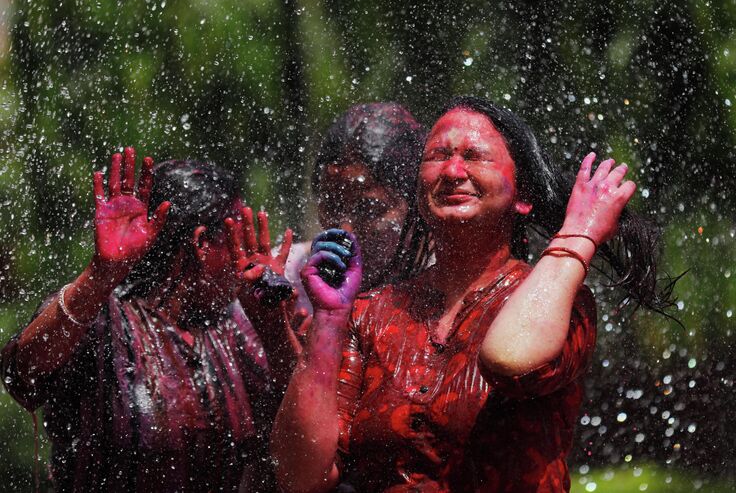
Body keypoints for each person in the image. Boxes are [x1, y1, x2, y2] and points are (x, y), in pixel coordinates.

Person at [271, 96, 672, 492]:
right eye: (437, 155)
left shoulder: (563, 303)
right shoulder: (369, 312)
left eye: (475, 156)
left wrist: (577, 236)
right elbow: (301, 477)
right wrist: (329, 320)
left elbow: (510, 360)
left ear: (523, 196)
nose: (452, 169)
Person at [1, 148, 295, 492]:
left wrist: (277, 328)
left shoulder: (231, 331)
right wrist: (100, 274)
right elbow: (22, 373)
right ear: (201, 244)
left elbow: (302, 428)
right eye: (236, 238)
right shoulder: (104, 320)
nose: (244, 256)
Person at [282, 102, 425, 318]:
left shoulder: (448, 287)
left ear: (418, 207)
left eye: (368, 209)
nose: (345, 232)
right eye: (333, 205)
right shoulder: (288, 277)